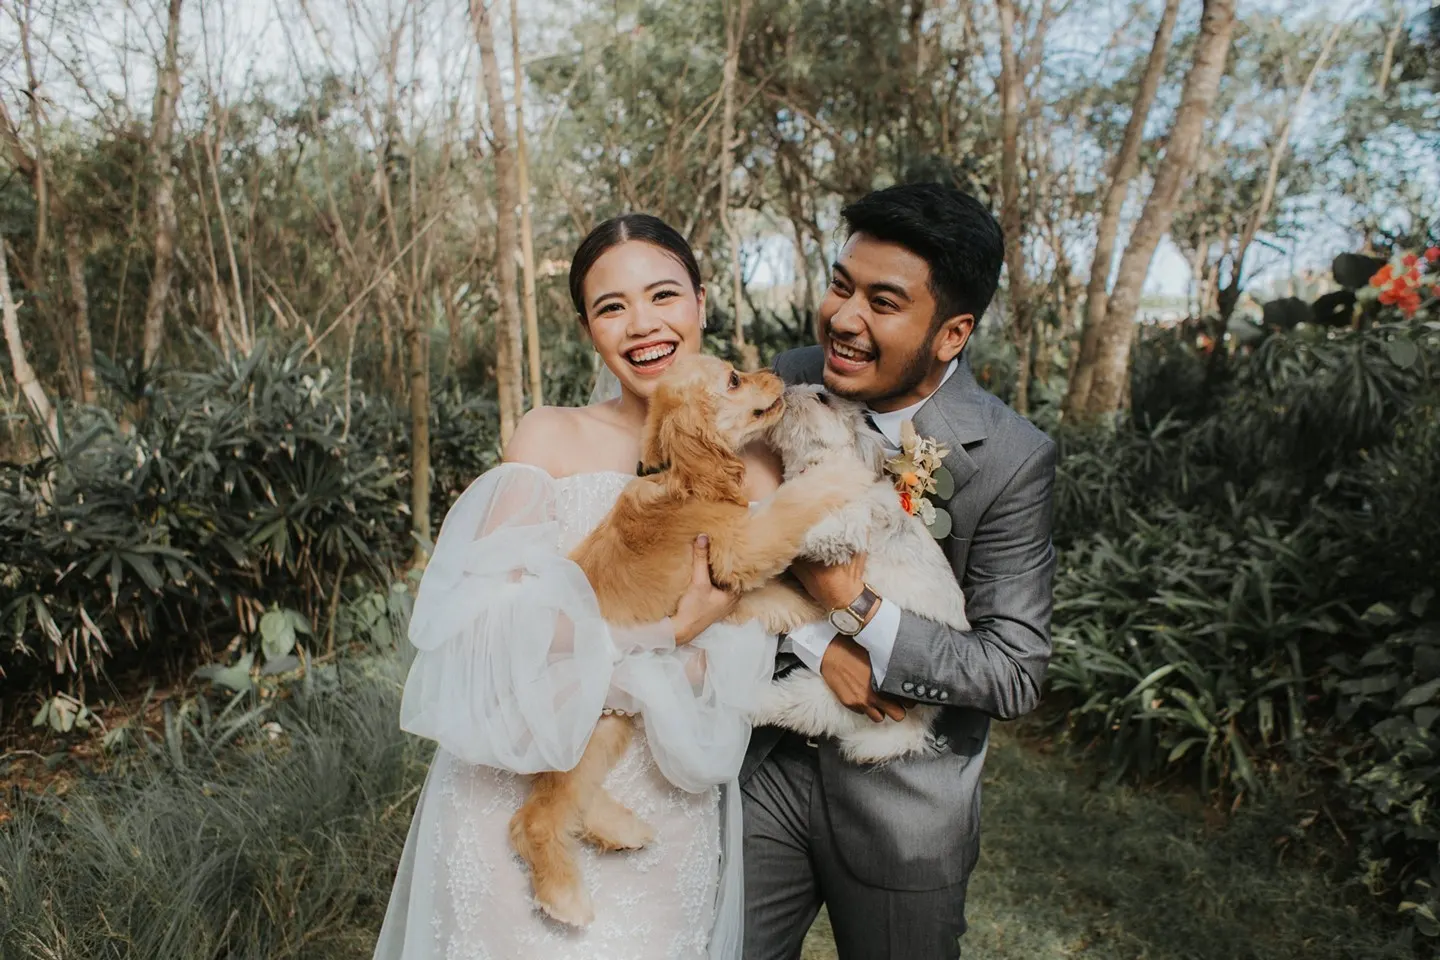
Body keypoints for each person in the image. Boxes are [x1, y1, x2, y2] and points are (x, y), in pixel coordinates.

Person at [373, 213, 784, 960]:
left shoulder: (755, 465)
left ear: (700, 300)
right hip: (522, 766)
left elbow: (749, 647)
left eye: (663, 295)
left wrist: (701, 640)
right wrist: (665, 638)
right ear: (589, 328)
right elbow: (488, 625)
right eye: (611, 307)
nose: (643, 326)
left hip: (666, 791)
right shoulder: (550, 435)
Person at [740, 182, 1058, 960]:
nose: (844, 318)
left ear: (951, 334)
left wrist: (862, 610)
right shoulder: (789, 377)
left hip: (906, 806)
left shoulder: (1013, 458)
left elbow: (1013, 672)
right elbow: (734, 548)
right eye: (841, 285)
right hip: (761, 768)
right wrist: (826, 644)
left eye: (883, 302)